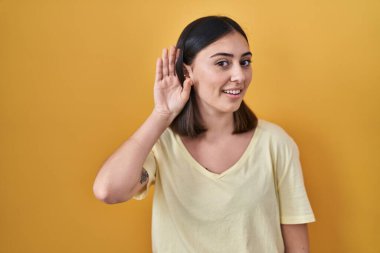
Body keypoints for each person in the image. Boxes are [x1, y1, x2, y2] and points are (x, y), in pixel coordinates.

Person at [93, 15, 316, 253]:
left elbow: (298, 248)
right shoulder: (163, 145)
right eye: (222, 63)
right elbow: (108, 190)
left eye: (245, 62)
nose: (240, 76)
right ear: (188, 71)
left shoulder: (275, 143)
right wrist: (161, 114)